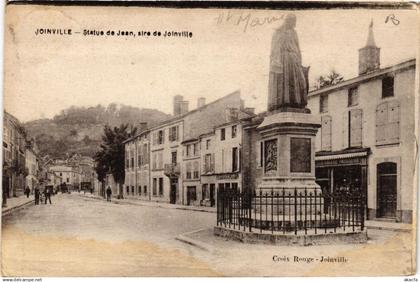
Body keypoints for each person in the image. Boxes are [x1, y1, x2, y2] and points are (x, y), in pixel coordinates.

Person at [268, 13, 309, 111]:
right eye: (293, 21)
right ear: (287, 21)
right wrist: (276, 61)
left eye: (295, 22)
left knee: (299, 81)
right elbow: (274, 49)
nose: (294, 24)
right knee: (285, 82)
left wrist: (299, 59)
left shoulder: (294, 32)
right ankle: (284, 102)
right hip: (283, 60)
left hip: (294, 60)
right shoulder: (278, 32)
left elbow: (298, 47)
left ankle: (297, 102)